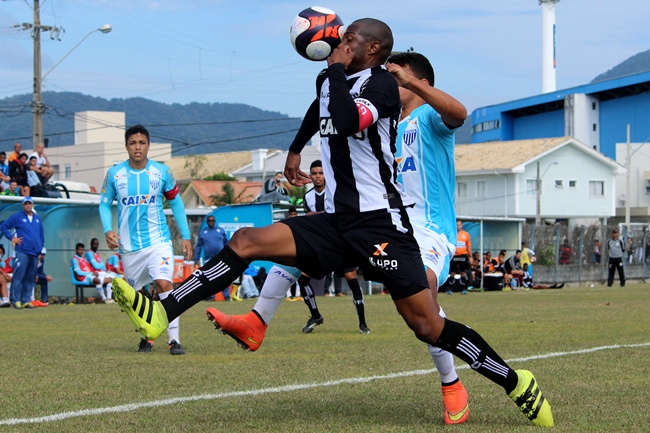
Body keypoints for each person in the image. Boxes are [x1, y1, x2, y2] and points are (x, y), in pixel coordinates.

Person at [110, 20, 552, 427]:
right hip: (339, 221)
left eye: (350, 39)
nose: (340, 43)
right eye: (341, 38)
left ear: (372, 49)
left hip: (381, 226)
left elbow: (344, 119)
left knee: (427, 325)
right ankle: (162, 312)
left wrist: (337, 71)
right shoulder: (331, 80)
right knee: (246, 240)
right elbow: (318, 111)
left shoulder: (381, 85)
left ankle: (516, 381)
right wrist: (295, 148)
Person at [100, 124, 192, 355]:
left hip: (158, 241)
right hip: (129, 247)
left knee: (163, 284)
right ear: (126, 146)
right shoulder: (114, 174)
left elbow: (176, 203)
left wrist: (186, 236)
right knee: (138, 295)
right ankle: (147, 337)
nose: (137, 147)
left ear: (148, 145)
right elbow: (104, 204)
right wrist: (108, 230)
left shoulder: (162, 172)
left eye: (142, 142)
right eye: (133, 143)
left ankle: (174, 340)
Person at [296, 160, 370, 334]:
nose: (318, 176)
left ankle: (363, 324)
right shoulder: (307, 197)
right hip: (320, 246)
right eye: (314, 173)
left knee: (351, 278)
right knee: (303, 280)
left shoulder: (336, 192)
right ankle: (315, 316)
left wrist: (316, 216)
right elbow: (308, 221)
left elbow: (339, 216)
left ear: (326, 175)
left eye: (321, 173)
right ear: (310, 176)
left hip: (340, 243)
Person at [0, 196, 44, 309]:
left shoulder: (37, 219)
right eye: (26, 204)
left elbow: (41, 235)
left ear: (32, 205)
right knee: (19, 276)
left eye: (29, 203)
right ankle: (16, 300)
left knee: (30, 277)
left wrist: (40, 248)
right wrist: (12, 238)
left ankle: (26, 300)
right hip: (22, 251)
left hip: (34, 253)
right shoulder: (18, 216)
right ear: (23, 205)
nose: (28, 206)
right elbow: (3, 226)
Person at [448, 220, 471, 295]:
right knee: (452, 272)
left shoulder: (466, 234)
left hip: (463, 255)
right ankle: (450, 289)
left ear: (462, 225)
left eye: (459, 225)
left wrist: (470, 256)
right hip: (454, 255)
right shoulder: (452, 234)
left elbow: (468, 246)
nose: (458, 226)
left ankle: (463, 289)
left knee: (462, 272)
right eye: (457, 225)